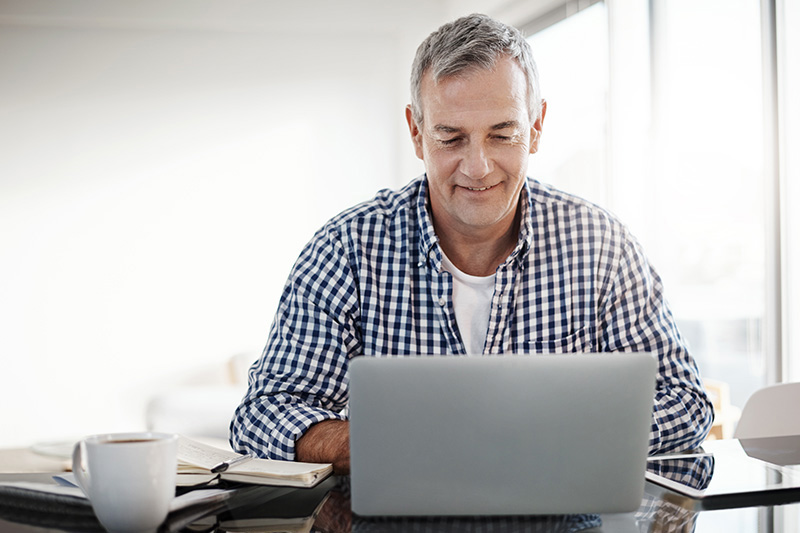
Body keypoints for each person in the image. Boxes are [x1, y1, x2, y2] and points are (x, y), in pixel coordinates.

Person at [230, 13, 714, 474]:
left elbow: (684, 402)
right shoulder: (347, 249)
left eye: (502, 135)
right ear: (416, 133)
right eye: (451, 138)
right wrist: (383, 443)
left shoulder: (602, 246)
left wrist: (557, 435)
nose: (478, 167)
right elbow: (262, 414)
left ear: (536, 128)